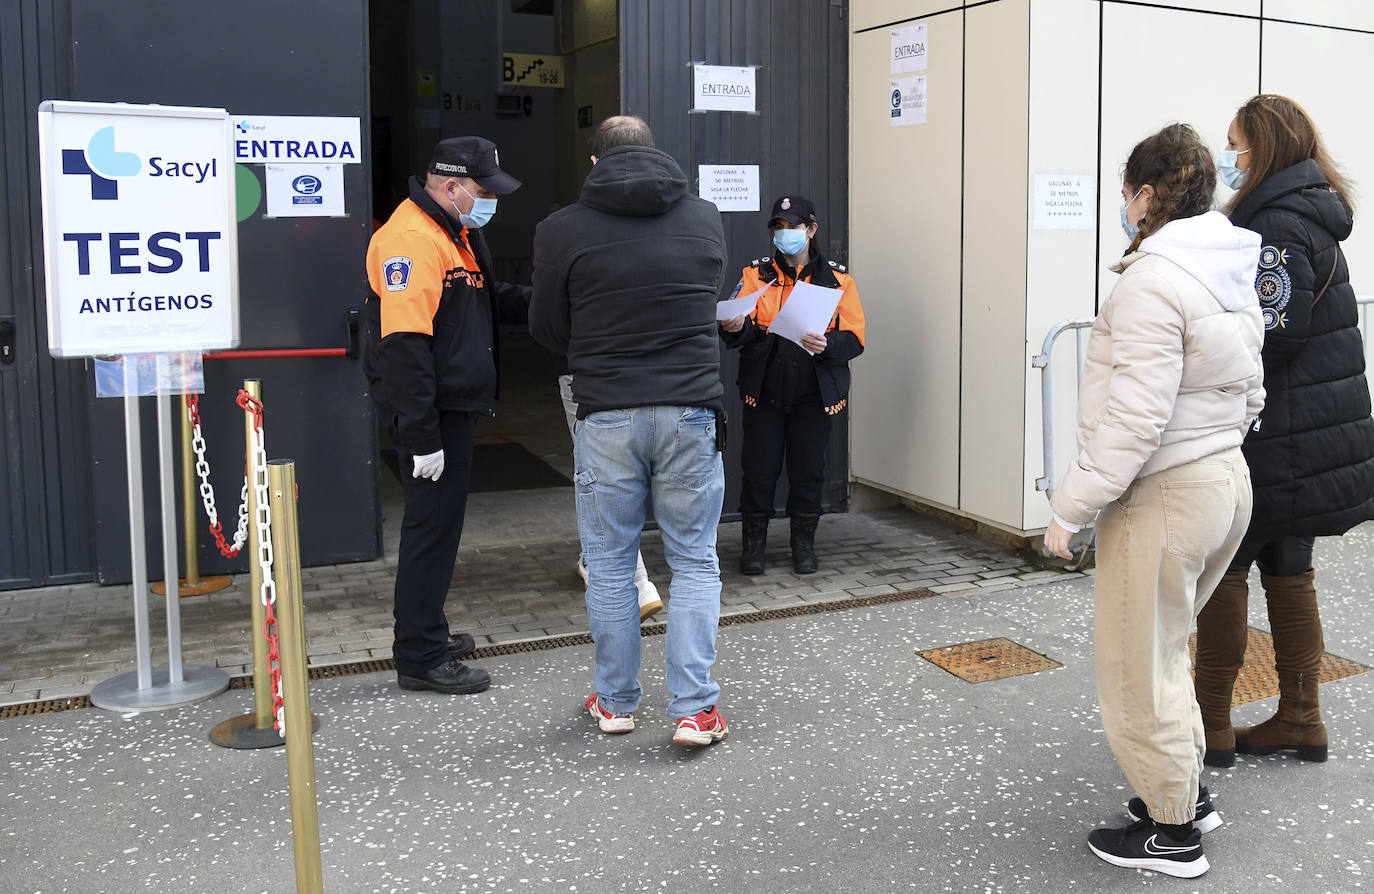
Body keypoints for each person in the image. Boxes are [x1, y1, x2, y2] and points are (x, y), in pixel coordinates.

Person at [1044, 123, 1265, 878]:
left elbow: (1134, 418)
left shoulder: (1152, 280)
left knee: (1139, 662)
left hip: (1167, 491)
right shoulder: (1226, 268)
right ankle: (1184, 795)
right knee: (1167, 648)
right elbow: (1250, 387)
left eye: (1126, 193)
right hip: (1224, 479)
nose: (1123, 206)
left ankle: (1173, 833)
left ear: (1144, 194)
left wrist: (1069, 508)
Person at [529, 116, 729, 746]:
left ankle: (615, 702)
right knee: (694, 559)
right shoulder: (703, 217)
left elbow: (545, 328)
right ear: (656, 153)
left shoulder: (561, 229)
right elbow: (706, 298)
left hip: (608, 410)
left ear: (594, 163)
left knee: (612, 564)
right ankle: (695, 710)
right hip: (690, 409)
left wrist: (593, 345)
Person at [1193, 94, 1374, 768]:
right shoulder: (1311, 212)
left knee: (1227, 571)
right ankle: (1301, 718)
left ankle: (1209, 725)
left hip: (1277, 435)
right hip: (1310, 434)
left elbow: (1276, 329)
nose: (1229, 157)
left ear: (1263, 147)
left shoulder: (1277, 223)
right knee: (1290, 571)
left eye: (1236, 144)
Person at [364, 136, 531, 695]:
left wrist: (553, 298)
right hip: (430, 413)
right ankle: (419, 654)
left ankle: (427, 630)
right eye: (483, 191)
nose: (489, 201)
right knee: (430, 531)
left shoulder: (453, 230)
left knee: (440, 528)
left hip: (451, 407)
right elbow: (405, 345)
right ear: (451, 185)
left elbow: (486, 297)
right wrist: (420, 436)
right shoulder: (411, 239)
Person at [719, 196, 865, 575]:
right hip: (765, 393)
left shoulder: (838, 280)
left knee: (808, 472)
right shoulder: (756, 275)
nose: (785, 235)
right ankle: (754, 548)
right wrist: (735, 326)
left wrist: (828, 345)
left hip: (813, 397)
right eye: (778, 228)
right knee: (759, 470)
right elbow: (742, 328)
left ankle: (804, 546)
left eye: (793, 227)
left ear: (811, 230)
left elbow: (855, 339)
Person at [557, 371, 663, 620]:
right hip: (652, 378)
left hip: (587, 373)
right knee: (695, 557)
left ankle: (637, 582)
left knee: (597, 474)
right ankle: (595, 561)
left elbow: (548, 332)